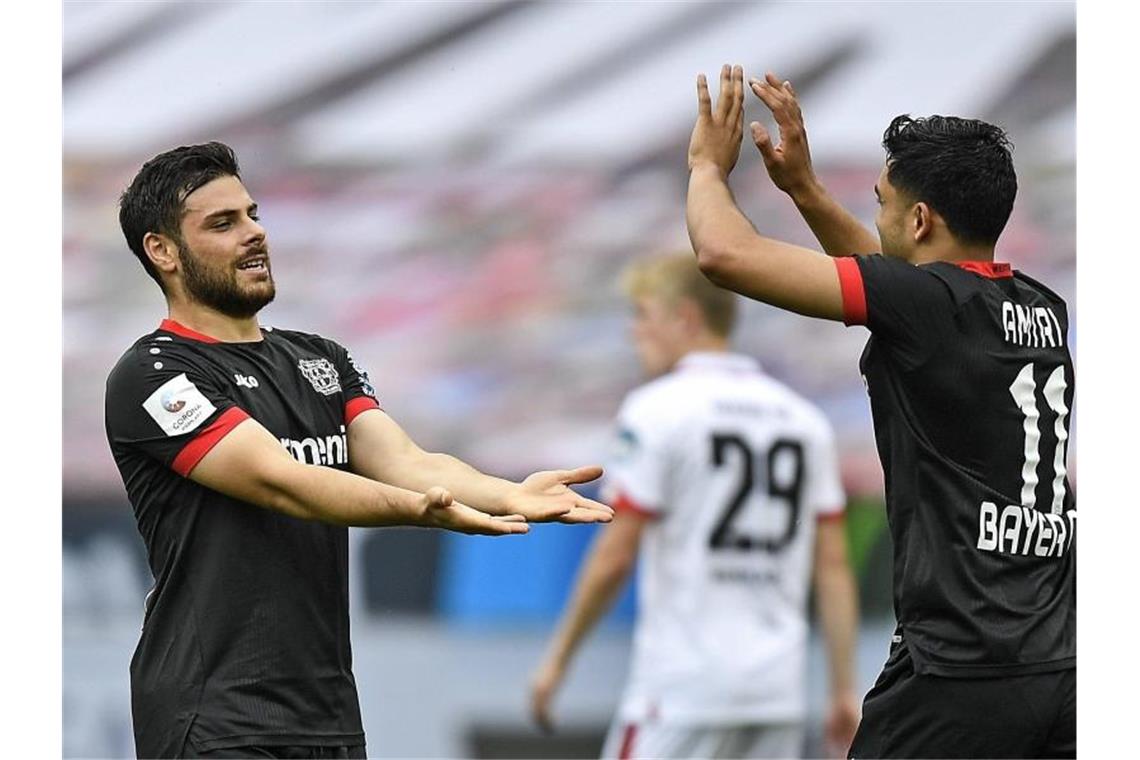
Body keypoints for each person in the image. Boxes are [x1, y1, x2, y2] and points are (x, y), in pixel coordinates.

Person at [104, 142, 613, 759]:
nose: (255, 234)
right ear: (162, 252)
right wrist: (420, 510)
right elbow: (282, 482)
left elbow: (406, 460)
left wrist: (510, 492)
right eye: (223, 223)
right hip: (214, 714)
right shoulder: (154, 374)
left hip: (326, 713)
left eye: (253, 214)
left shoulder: (319, 357)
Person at [685, 65, 1076, 758]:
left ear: (921, 220)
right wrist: (804, 189)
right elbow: (898, 283)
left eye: (883, 203)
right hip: (1063, 666)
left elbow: (724, 254)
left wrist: (706, 169)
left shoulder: (928, 307)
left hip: (958, 668)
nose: (879, 218)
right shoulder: (1040, 306)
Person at [529, 253, 860, 759]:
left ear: (684, 317)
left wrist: (556, 661)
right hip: (775, 694)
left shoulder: (657, 409)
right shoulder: (803, 420)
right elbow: (833, 566)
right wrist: (842, 687)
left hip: (682, 692)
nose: (632, 332)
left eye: (643, 314)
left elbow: (615, 556)